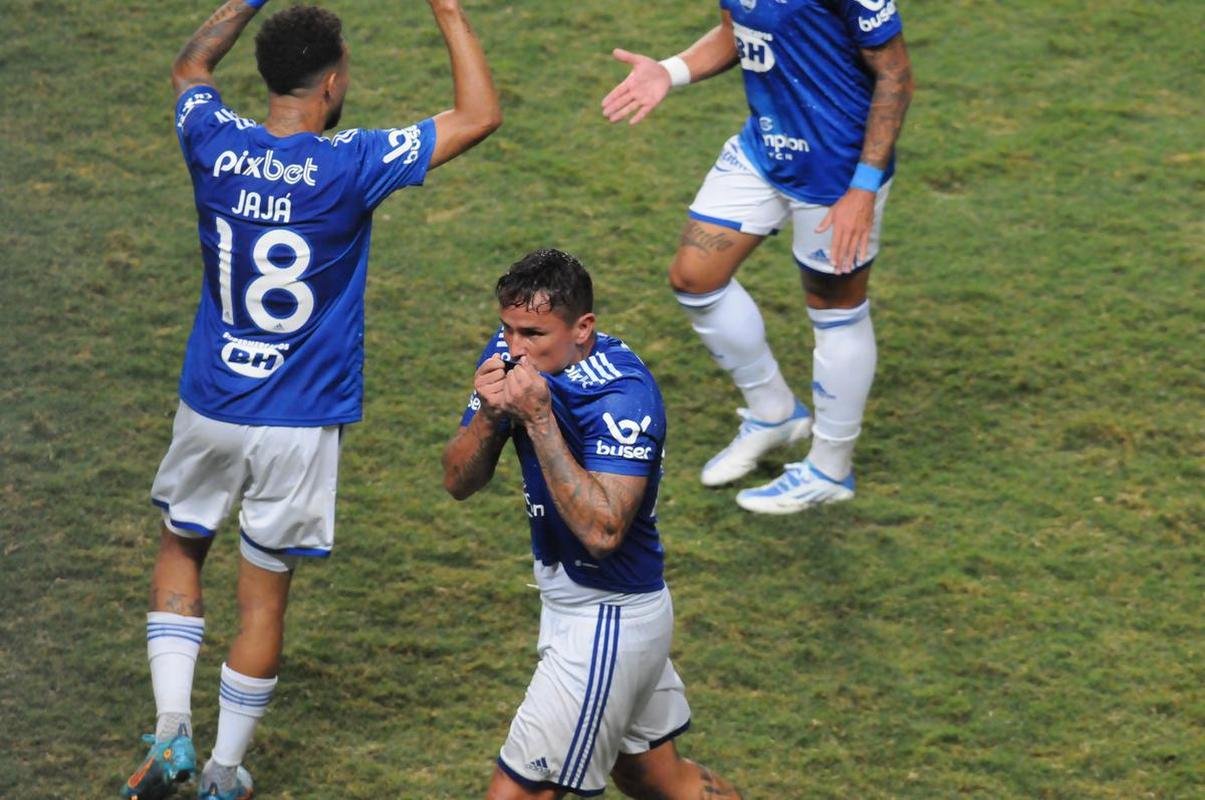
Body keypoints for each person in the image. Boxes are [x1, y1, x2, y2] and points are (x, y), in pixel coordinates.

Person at [121, 1, 500, 798]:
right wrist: (447, 7)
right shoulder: (351, 163)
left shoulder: (211, 139)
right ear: (331, 84)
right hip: (299, 421)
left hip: (212, 403)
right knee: (263, 597)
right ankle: (224, 773)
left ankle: (170, 734)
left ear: (268, 76)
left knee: (182, 546)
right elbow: (477, 115)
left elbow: (190, 67)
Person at [442, 249, 743, 799]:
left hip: (607, 616)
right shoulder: (510, 356)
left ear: (582, 329)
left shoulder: (622, 395)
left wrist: (538, 419)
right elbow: (458, 481)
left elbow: (603, 531)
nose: (515, 348)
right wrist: (490, 413)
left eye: (533, 334)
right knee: (662, 781)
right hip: (587, 607)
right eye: (507, 329)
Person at [602, 0, 914, 514]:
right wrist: (670, 71)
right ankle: (775, 413)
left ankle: (830, 468)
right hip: (764, 148)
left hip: (837, 166)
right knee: (695, 277)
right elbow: (737, 29)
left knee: (834, 308)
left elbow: (895, 74)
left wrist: (863, 186)